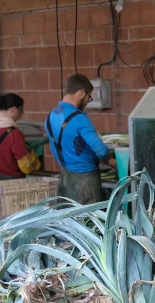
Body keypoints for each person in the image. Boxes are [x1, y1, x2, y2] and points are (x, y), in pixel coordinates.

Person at [45, 74, 114, 205]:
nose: (89, 101)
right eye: (89, 96)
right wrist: (109, 159)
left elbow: (54, 149)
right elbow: (100, 150)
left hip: (65, 177)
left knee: (69, 220)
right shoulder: (80, 119)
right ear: (82, 93)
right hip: (86, 181)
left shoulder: (51, 116)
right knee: (89, 221)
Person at [0, 93, 35, 181]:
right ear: (14, 109)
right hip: (12, 182)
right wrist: (34, 161)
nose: (20, 115)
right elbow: (26, 166)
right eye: (20, 111)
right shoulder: (14, 133)